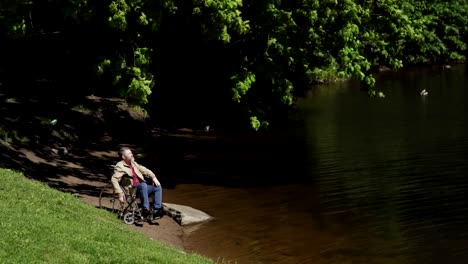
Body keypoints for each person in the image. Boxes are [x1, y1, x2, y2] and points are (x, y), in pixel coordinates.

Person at [111, 146, 164, 220]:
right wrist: (120, 194)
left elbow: (144, 169)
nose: (132, 154)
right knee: (143, 185)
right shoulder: (120, 166)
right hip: (132, 190)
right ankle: (145, 209)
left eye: (131, 153)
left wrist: (153, 177)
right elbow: (114, 180)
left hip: (141, 188)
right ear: (123, 156)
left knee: (157, 187)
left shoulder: (133, 163)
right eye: (129, 153)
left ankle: (156, 211)